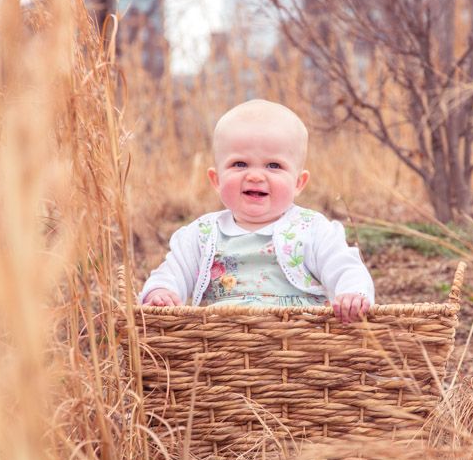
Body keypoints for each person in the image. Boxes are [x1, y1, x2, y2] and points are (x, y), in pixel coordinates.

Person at [139, 99, 374, 323]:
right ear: (216, 179)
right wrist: (162, 292)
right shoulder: (201, 233)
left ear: (298, 183)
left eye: (274, 165)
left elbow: (344, 266)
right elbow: (172, 271)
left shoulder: (311, 228)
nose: (255, 176)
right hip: (221, 338)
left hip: (298, 336)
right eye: (239, 164)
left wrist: (352, 293)